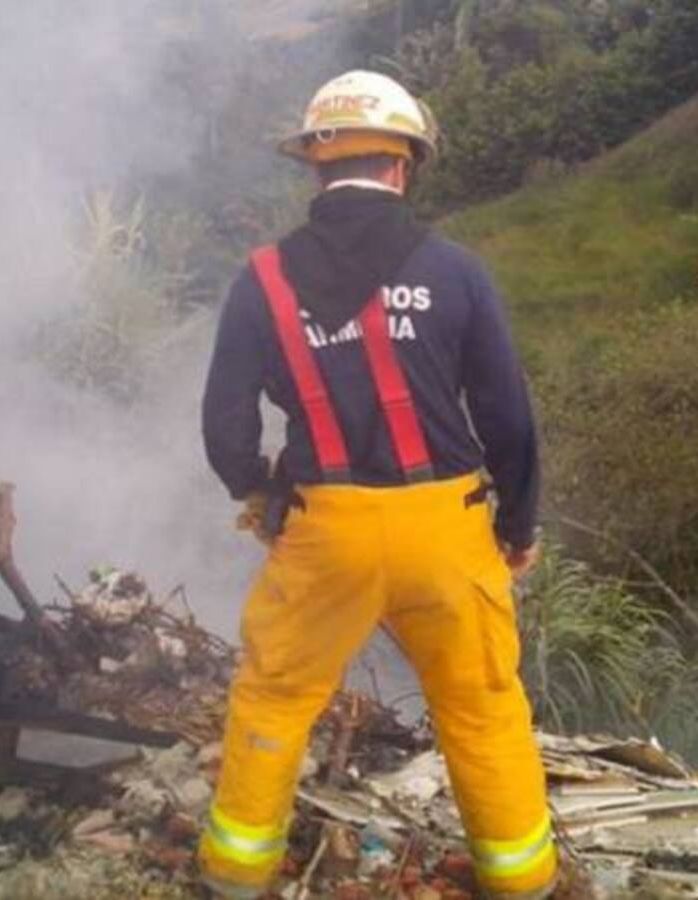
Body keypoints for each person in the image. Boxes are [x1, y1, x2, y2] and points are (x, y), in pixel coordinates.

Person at [198, 70, 556, 900]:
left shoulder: (262, 279)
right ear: (403, 165)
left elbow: (225, 423)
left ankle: (234, 874)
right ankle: (523, 881)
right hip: (448, 527)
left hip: (325, 530)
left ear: (317, 167)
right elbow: (507, 414)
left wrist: (256, 491)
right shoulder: (458, 272)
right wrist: (521, 526)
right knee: (482, 706)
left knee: (276, 699)